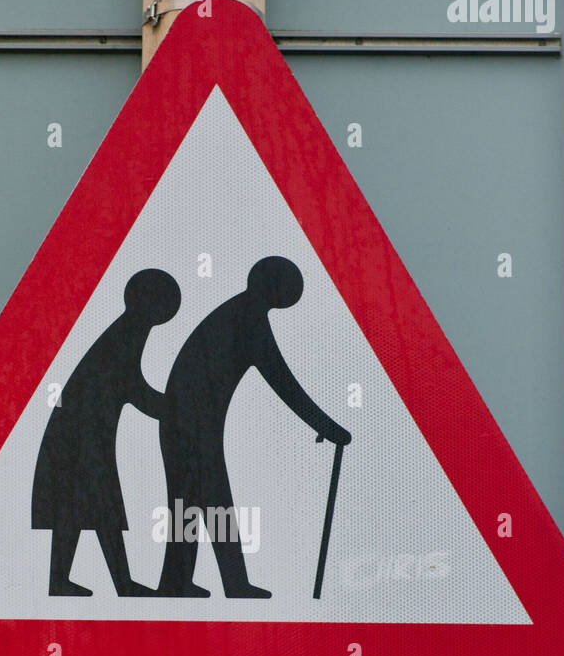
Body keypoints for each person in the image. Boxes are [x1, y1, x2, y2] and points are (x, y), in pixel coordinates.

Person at [157, 256, 350, 598]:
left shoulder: (239, 313)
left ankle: (178, 581)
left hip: (187, 423)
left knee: (192, 503)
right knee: (212, 501)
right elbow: (283, 382)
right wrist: (330, 428)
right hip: (193, 426)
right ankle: (227, 583)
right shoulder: (248, 320)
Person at [32, 268, 181, 595]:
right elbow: (131, 386)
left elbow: (128, 385)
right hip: (81, 437)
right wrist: (174, 409)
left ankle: (100, 582)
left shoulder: (128, 329)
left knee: (88, 508)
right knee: (89, 507)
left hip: (84, 434)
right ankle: (101, 583)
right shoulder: (128, 333)